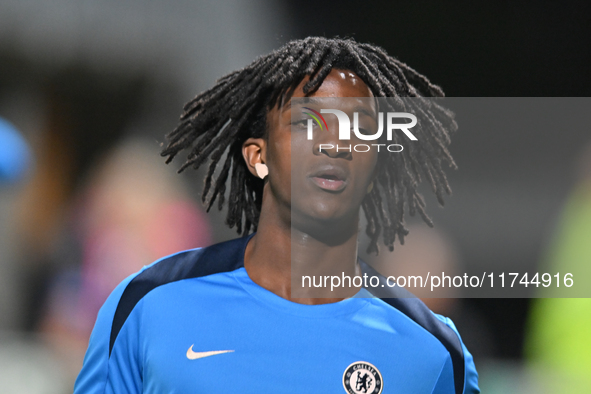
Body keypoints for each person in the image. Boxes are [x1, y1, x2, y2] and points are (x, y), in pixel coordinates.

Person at [74, 37, 479, 393]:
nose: (335, 145)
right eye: (309, 122)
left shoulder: (432, 351)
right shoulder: (147, 305)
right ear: (258, 157)